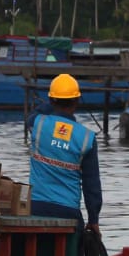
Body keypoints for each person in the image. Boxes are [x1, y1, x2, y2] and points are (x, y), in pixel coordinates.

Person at [27, 73, 102, 233]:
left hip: (36, 208)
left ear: (51, 100)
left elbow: (33, 114)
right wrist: (93, 220)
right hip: (68, 212)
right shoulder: (87, 138)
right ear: (77, 101)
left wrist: (52, 102)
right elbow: (92, 185)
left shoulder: (37, 124)